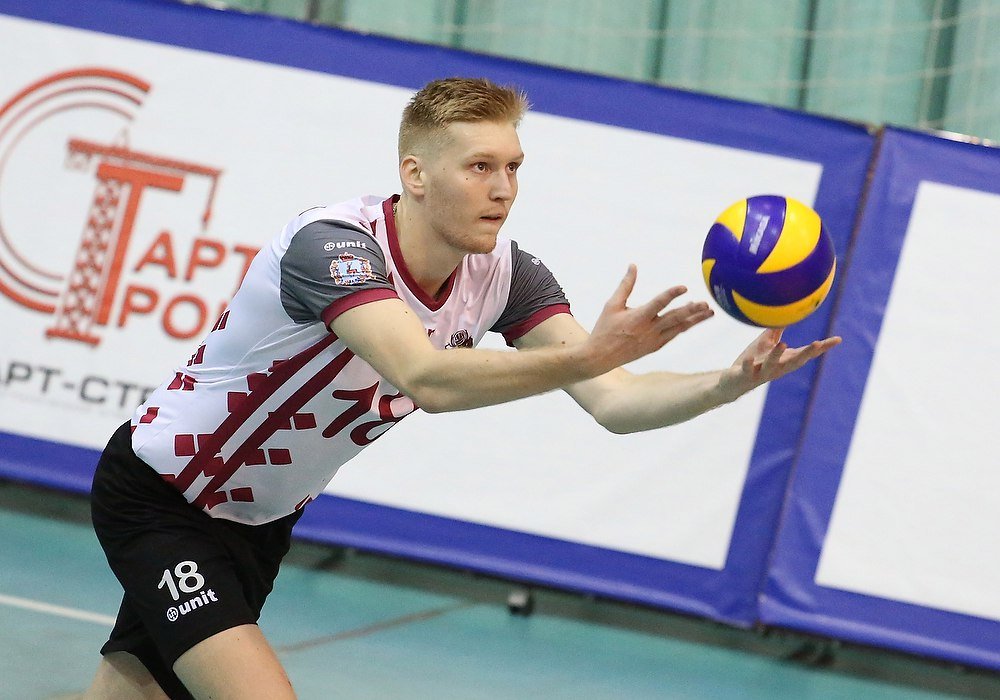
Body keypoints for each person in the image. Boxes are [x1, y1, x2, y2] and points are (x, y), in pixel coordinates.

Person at [84, 77, 840, 699]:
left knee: (131, 693)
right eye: (480, 167)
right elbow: (426, 376)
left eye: (513, 168)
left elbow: (616, 401)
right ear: (415, 174)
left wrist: (727, 383)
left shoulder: (507, 275)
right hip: (163, 498)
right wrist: (586, 356)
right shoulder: (333, 248)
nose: (503, 189)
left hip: (259, 523)